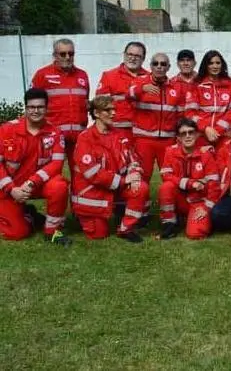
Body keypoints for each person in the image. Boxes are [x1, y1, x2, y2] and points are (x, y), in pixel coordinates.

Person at [71, 96, 149, 242]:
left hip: (114, 188)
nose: (113, 113)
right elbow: (92, 173)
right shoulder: (85, 138)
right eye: (108, 110)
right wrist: (125, 180)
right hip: (92, 193)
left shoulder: (120, 135)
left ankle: (126, 229)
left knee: (141, 188)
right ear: (96, 113)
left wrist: (135, 175)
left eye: (114, 109)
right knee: (98, 235)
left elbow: (133, 160)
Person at [0, 88, 71, 245]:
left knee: (59, 186)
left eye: (40, 107)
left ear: (46, 108)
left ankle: (52, 231)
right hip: (10, 188)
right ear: (26, 108)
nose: (35, 111)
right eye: (31, 107)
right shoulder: (6, 130)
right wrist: (11, 189)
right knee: (17, 233)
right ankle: (30, 216)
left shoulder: (55, 132)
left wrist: (32, 182)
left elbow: (57, 164)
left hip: (37, 185)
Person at [31, 38, 90, 169]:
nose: (68, 57)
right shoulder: (42, 75)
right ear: (55, 55)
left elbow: (85, 102)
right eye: (63, 54)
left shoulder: (82, 75)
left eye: (71, 53)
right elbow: (32, 106)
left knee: (80, 174)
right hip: (53, 136)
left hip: (78, 137)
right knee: (51, 174)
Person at [157, 118, 220, 240]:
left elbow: (214, 185)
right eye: (183, 133)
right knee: (166, 187)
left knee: (195, 234)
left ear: (197, 135)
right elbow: (166, 175)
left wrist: (206, 209)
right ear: (178, 137)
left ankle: (200, 220)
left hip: (199, 201)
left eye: (191, 132)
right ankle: (169, 224)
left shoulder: (206, 154)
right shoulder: (170, 152)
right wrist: (189, 183)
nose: (187, 136)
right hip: (180, 198)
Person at [127, 53, 187, 178]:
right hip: (144, 140)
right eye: (156, 63)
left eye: (163, 64)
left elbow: (181, 116)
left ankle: (167, 198)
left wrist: (179, 137)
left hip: (167, 140)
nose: (159, 67)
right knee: (143, 175)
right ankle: (143, 198)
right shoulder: (140, 81)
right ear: (150, 66)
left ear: (169, 67)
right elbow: (128, 95)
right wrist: (142, 89)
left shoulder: (176, 87)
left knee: (170, 176)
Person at [187, 50, 231, 149]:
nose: (215, 66)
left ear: (222, 64)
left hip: (223, 135)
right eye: (211, 63)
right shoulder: (196, 84)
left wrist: (217, 130)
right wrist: (206, 128)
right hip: (201, 135)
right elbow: (190, 113)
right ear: (205, 65)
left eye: (218, 63)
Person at [95, 41, 149, 135]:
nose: (132, 58)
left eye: (137, 56)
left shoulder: (149, 78)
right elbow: (100, 106)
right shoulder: (109, 76)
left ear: (143, 58)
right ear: (124, 55)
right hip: (116, 132)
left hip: (143, 133)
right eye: (130, 54)